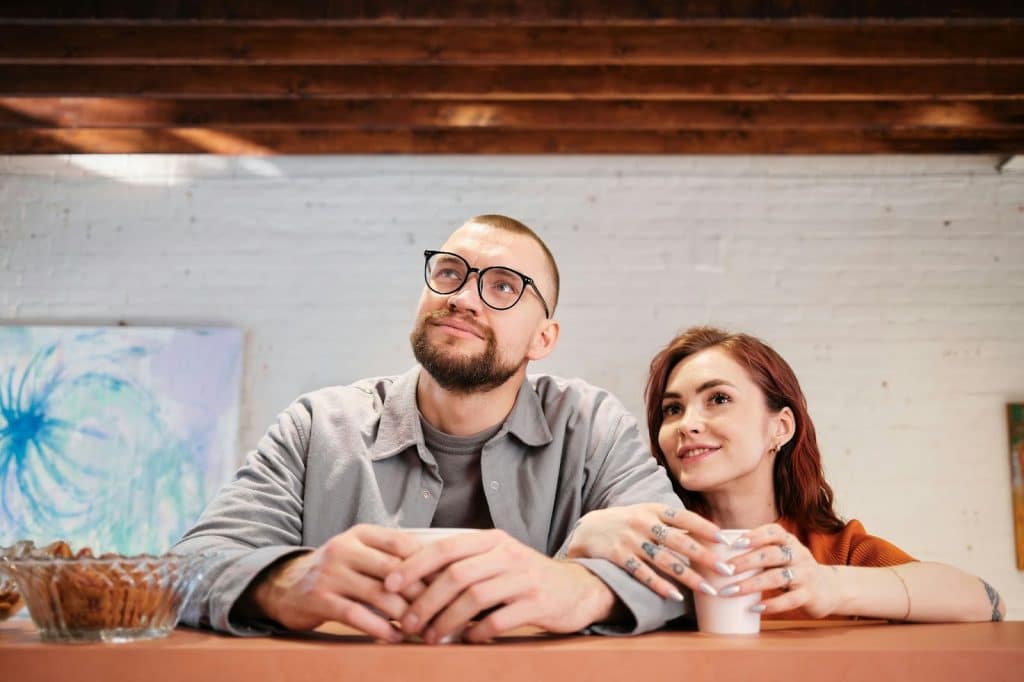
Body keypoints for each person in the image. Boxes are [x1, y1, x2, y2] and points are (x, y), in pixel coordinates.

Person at [173, 215, 697, 644]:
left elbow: (690, 567)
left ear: (543, 338)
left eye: (503, 286)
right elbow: (186, 569)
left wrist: (571, 586)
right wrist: (284, 581)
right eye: (449, 273)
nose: (463, 298)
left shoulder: (592, 427)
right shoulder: (317, 427)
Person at [564, 326, 1006, 622]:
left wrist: (829, 587)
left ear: (781, 427)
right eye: (672, 409)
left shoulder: (834, 551)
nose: (687, 424)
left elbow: (986, 601)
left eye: (718, 399)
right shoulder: (649, 546)